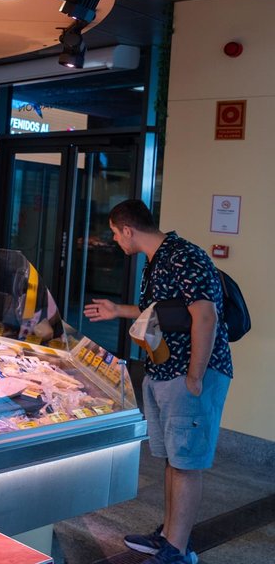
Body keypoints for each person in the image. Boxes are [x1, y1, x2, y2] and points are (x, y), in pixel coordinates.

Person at [84, 200, 232, 564]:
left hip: (189, 374)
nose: (116, 240)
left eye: (116, 234)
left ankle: (178, 551)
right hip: (165, 371)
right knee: (172, 459)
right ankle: (168, 535)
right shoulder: (157, 259)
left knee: (186, 464)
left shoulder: (183, 255)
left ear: (128, 230)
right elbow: (160, 311)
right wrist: (118, 310)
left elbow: (206, 316)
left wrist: (195, 376)